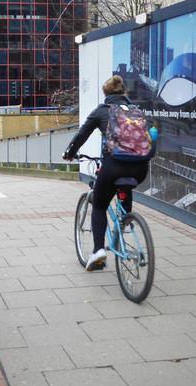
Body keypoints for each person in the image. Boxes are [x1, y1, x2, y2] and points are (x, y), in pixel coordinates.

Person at [62, 75, 150, 271]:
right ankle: (126, 220)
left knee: (100, 204)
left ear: (106, 94)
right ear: (124, 93)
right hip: (141, 167)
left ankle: (98, 251)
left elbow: (82, 134)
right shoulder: (135, 111)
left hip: (114, 165)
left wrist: (69, 153)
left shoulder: (102, 111)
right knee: (126, 185)